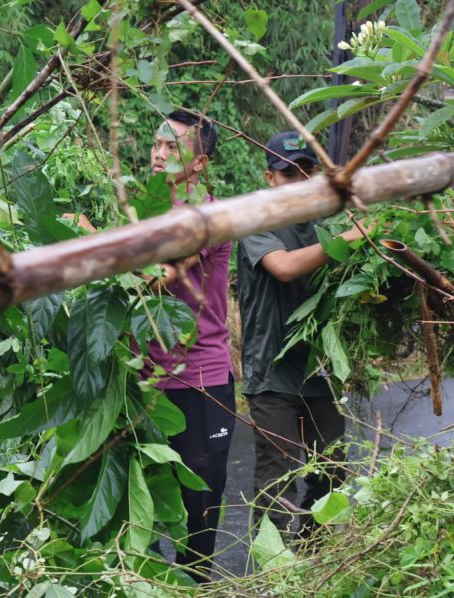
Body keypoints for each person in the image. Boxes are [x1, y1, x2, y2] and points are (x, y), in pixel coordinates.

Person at [64, 110, 234, 580]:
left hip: (198, 379)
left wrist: (86, 234)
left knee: (198, 507)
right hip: (143, 380)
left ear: (200, 163)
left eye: (172, 147)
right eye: (156, 144)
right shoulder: (146, 207)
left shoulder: (204, 214)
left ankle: (194, 587)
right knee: (146, 501)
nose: (158, 154)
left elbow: (149, 277)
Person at [237, 131, 364, 539]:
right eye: (288, 173)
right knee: (278, 476)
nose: (299, 181)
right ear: (270, 178)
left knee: (332, 468)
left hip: (318, 371)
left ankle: (315, 557)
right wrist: (347, 240)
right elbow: (285, 267)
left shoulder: (327, 222)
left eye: (307, 172)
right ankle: (272, 567)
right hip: (271, 372)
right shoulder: (255, 219)